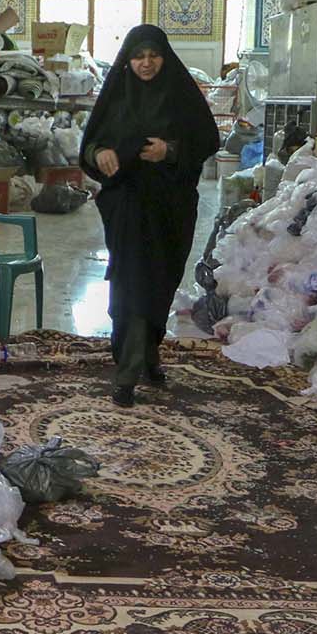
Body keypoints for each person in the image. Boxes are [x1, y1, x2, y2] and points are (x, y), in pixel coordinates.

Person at [79, 25, 220, 408]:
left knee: (160, 282)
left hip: (171, 206)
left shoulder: (179, 94)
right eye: (138, 56)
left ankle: (150, 354)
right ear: (128, 58)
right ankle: (128, 369)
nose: (145, 63)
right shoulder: (117, 95)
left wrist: (170, 151)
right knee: (133, 282)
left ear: (165, 57)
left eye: (152, 55)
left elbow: (207, 139)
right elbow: (90, 143)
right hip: (127, 204)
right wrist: (99, 155)